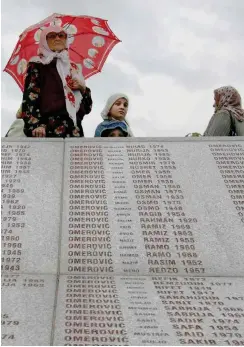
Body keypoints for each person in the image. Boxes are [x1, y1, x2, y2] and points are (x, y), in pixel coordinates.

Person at [20, 25, 92, 138]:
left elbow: (87, 108)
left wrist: (82, 88)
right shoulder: (38, 65)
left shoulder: (73, 68)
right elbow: (30, 99)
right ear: (45, 40)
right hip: (46, 129)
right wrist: (36, 125)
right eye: (52, 36)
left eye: (61, 35)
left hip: (74, 130)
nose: (57, 38)